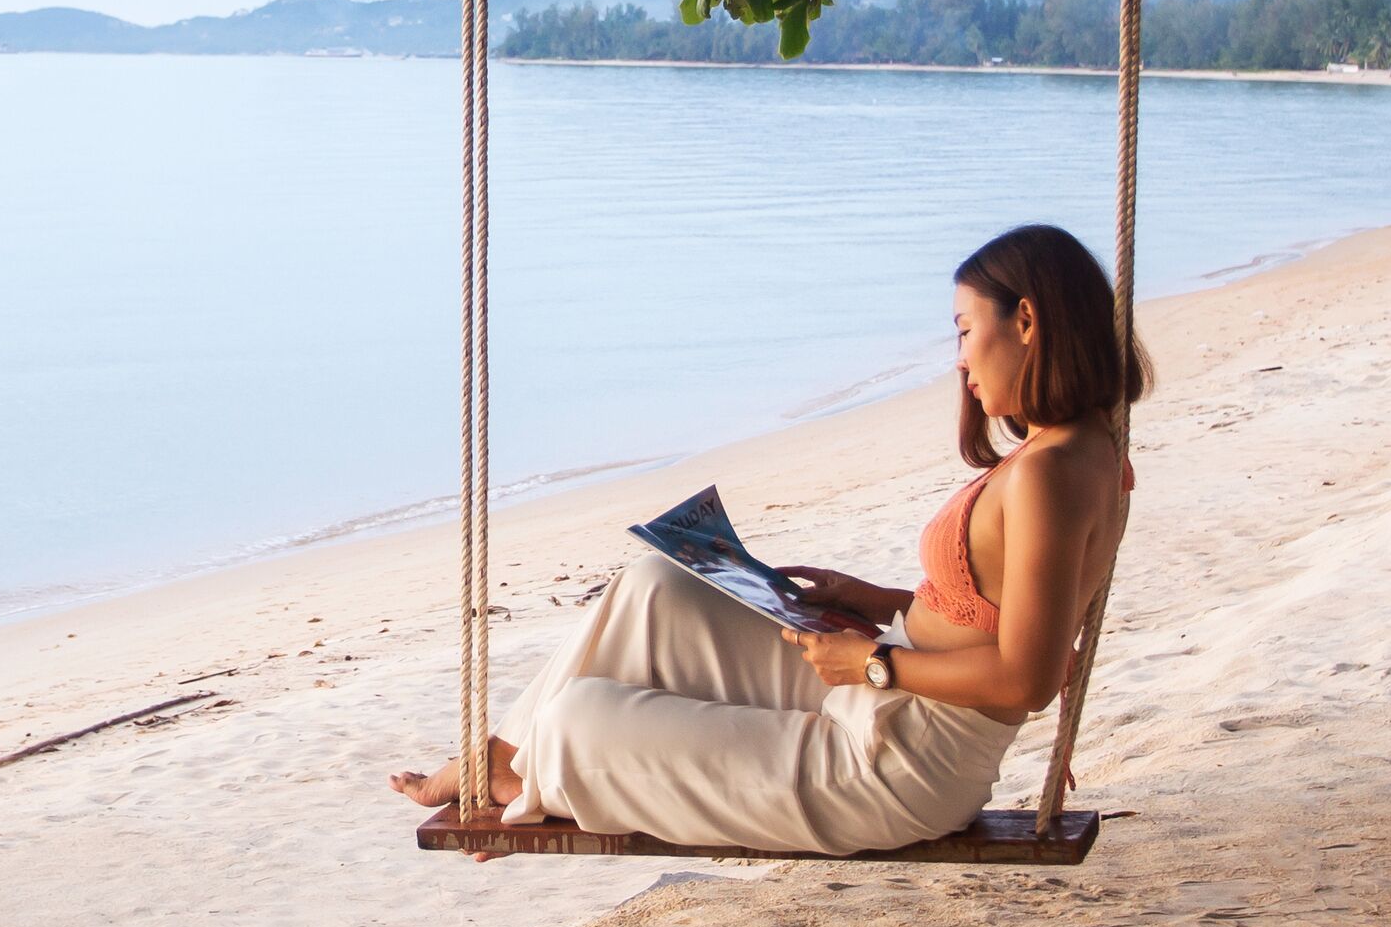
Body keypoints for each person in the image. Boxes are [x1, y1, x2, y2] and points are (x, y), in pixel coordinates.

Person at [391, 223, 1146, 851]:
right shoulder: (1076, 452)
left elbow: (1029, 678)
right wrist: (869, 599)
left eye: (964, 330)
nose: (958, 358)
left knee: (578, 719)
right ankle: (510, 764)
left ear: (1026, 321)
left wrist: (874, 662)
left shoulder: (1050, 473)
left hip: (900, 762)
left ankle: (523, 781)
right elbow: (999, 606)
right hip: (891, 687)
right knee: (656, 589)